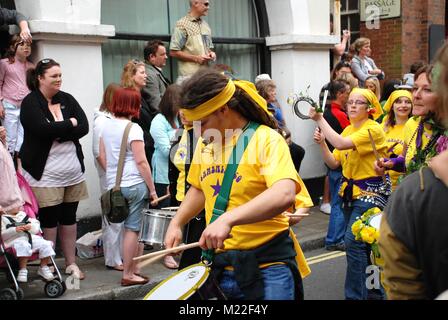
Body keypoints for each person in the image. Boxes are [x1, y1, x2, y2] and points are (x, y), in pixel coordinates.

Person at [164, 68, 309, 300]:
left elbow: (284, 194)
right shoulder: (205, 145)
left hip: (268, 267)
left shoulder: (266, 139)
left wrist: (228, 219)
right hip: (220, 266)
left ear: (223, 109)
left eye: (202, 123)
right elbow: (200, 188)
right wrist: (177, 222)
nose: (198, 134)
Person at [310, 88, 391, 299]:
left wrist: (320, 119)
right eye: (350, 102)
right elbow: (334, 162)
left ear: (370, 108)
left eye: (359, 102)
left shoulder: (373, 129)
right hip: (349, 195)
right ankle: (375, 293)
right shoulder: (346, 130)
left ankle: (355, 296)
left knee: (354, 243)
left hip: (370, 195)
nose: (353, 105)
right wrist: (321, 144)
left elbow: (340, 143)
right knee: (365, 249)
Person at [20, 58, 89, 280]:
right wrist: (69, 124)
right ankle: (46, 264)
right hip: (45, 174)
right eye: (53, 76)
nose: (59, 80)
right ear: (40, 78)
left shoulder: (67, 99)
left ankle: (71, 264)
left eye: (60, 75)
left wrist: (57, 130)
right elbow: (40, 129)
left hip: (72, 172)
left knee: (69, 218)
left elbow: (84, 126)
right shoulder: (30, 102)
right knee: (49, 220)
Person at [98, 87, 158, 286]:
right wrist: (152, 189)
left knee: (124, 229)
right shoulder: (134, 129)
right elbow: (142, 162)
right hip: (134, 184)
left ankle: (133, 270)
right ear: (132, 106)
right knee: (133, 230)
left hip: (115, 186)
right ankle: (129, 274)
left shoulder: (105, 126)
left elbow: (103, 156)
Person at [375, 65, 441, 177]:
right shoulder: (411, 124)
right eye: (415, 88)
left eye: (427, 89)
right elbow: (405, 159)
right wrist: (392, 163)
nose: (416, 95)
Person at [92, 82, 124, 272]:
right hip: (111, 176)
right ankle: (113, 258)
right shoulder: (101, 121)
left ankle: (119, 256)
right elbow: (98, 152)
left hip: (116, 175)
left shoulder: (110, 119)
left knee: (119, 218)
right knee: (113, 218)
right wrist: (112, 176)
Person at [149, 85, 181, 269]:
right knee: (165, 214)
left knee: (176, 213)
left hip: (178, 173)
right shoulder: (158, 121)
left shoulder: (179, 119)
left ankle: (174, 248)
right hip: (163, 173)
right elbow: (165, 149)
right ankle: (165, 252)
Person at [322, 80, 351, 251]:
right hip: (340, 163)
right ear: (340, 94)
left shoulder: (327, 112)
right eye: (347, 93)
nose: (349, 96)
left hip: (331, 161)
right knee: (339, 205)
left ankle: (332, 238)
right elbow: (351, 135)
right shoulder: (339, 114)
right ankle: (335, 239)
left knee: (335, 204)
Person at [1, 207, 56, 283]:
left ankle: (43, 267)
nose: (20, 207)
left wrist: (30, 227)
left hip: (30, 238)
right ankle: (23, 269)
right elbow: (2, 235)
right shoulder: (3, 219)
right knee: (23, 245)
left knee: (46, 244)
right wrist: (14, 230)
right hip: (14, 241)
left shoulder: (23, 215)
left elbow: (35, 226)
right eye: (16, 204)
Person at [0, 34, 33, 157]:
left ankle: (20, 170)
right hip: (9, 105)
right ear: (13, 47)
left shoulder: (31, 66)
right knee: (9, 139)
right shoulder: (4, 64)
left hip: (25, 107)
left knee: (23, 138)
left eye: (29, 45)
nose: (26, 47)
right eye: (22, 44)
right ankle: (8, 168)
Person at [121, 60, 157, 168]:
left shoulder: (142, 96)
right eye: (142, 73)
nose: (146, 76)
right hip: (139, 151)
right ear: (132, 76)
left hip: (148, 147)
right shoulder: (128, 98)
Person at [169, 0, 216, 83]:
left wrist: (211, 54)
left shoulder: (205, 25)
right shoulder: (182, 24)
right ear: (195, 3)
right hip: (188, 78)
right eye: (206, 4)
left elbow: (208, 48)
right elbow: (173, 52)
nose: (208, 7)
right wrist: (196, 58)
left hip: (204, 76)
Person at [380, 90, 413, 189]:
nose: (403, 105)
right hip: (381, 184)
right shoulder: (383, 127)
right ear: (392, 106)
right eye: (398, 102)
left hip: (405, 185)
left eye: (407, 102)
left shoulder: (415, 127)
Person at [142, 40, 171, 112]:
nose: (166, 57)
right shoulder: (149, 75)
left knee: (197, 122)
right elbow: (157, 105)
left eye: (166, 54)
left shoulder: (152, 71)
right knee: (197, 122)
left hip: (169, 116)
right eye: (162, 54)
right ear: (152, 57)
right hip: (166, 119)